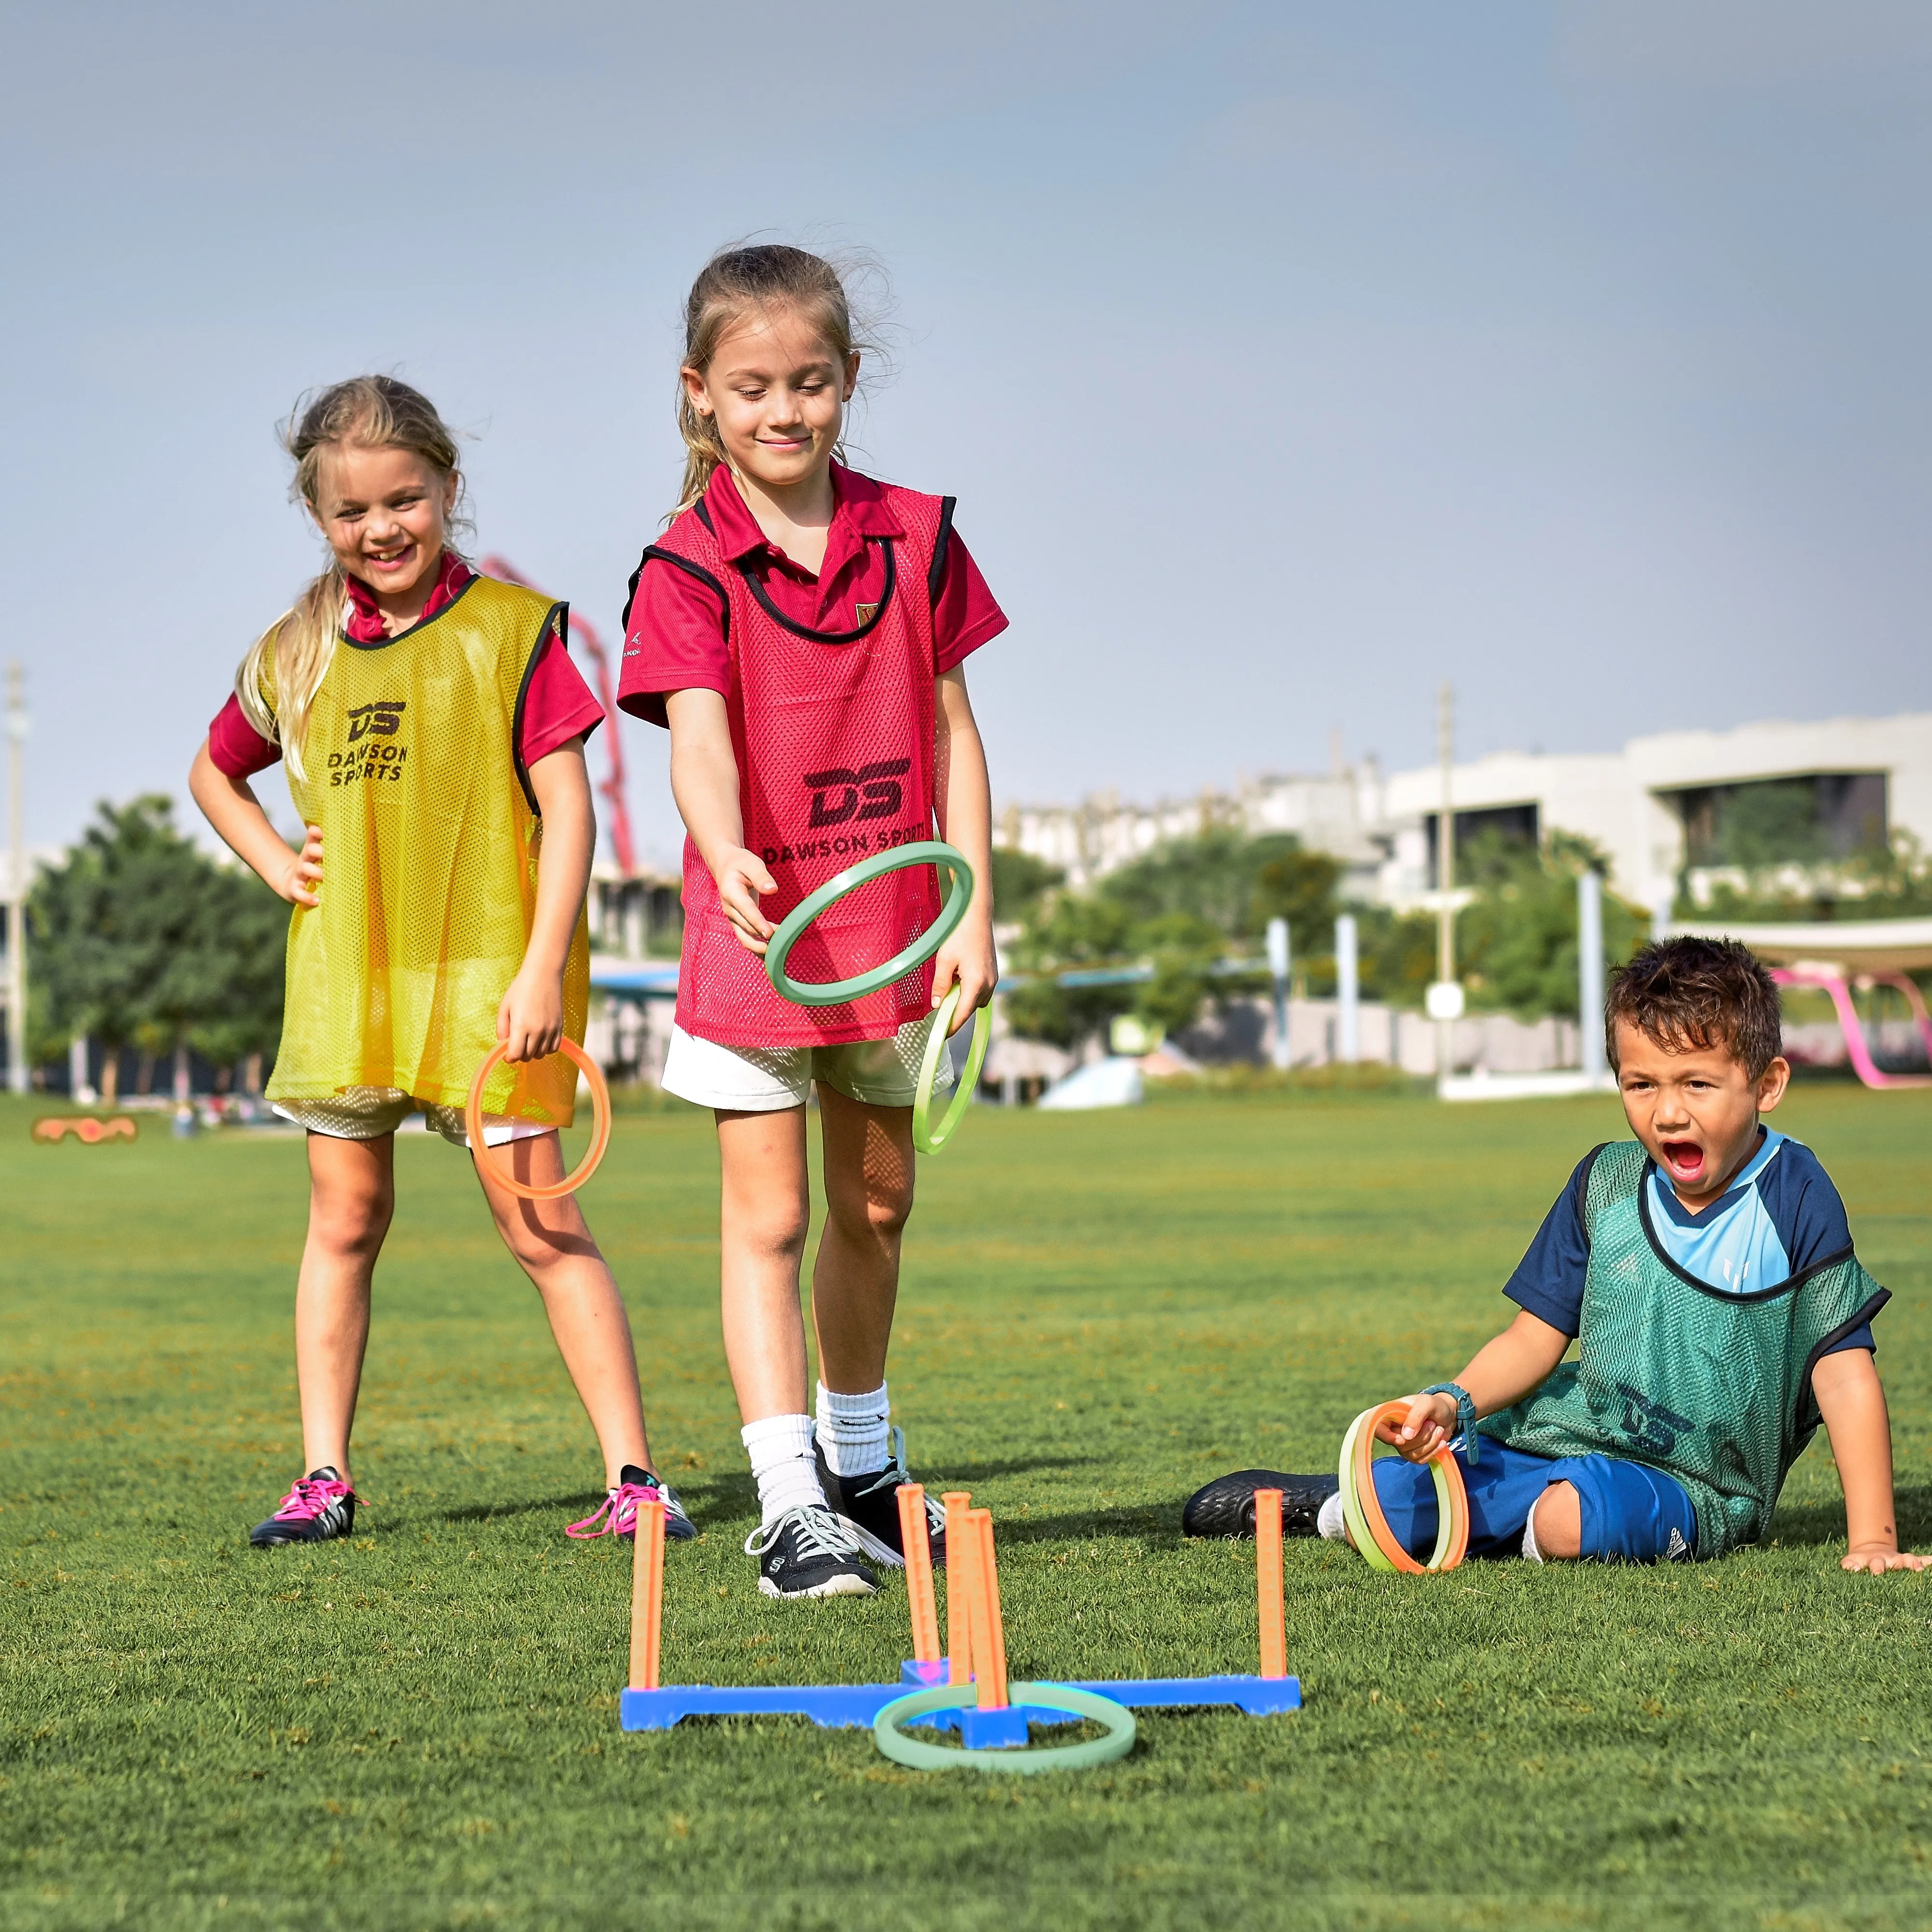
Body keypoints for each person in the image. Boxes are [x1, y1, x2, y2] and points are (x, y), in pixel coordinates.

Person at [189, 375, 690, 1550]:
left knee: (539, 1227)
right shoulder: (296, 649)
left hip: (488, 982)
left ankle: (635, 1480)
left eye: (404, 498)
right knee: (344, 1220)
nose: (381, 529)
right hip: (349, 981)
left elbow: (568, 814)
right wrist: (273, 861)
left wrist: (537, 969)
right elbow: (216, 770)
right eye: (353, 510)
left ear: (447, 489)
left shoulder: (514, 633)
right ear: (320, 517)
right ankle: (323, 1477)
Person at [619, 245, 1005, 1600]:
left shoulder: (917, 534)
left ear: (849, 381)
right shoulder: (684, 560)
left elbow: (957, 733)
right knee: (767, 1220)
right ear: (700, 395)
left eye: (811, 383)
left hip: (899, 934)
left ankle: (861, 1463)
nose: (784, 412)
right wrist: (722, 847)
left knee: (881, 1205)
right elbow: (698, 737)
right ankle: (789, 1502)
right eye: (753, 388)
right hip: (757, 939)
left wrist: (978, 911)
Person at [1184, 937, 1926, 1573]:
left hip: (1696, 1487)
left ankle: (1473, 1512)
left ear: (1767, 1085)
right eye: (1641, 1085)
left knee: (1573, 1520)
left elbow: (1844, 1373)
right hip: (1558, 1440)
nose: (1668, 1112)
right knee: (1398, 1500)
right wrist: (1451, 1400)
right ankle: (1338, 1505)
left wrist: (1873, 1538)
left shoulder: (1795, 1190)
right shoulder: (1603, 1181)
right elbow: (1534, 1338)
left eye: (1698, 1084)